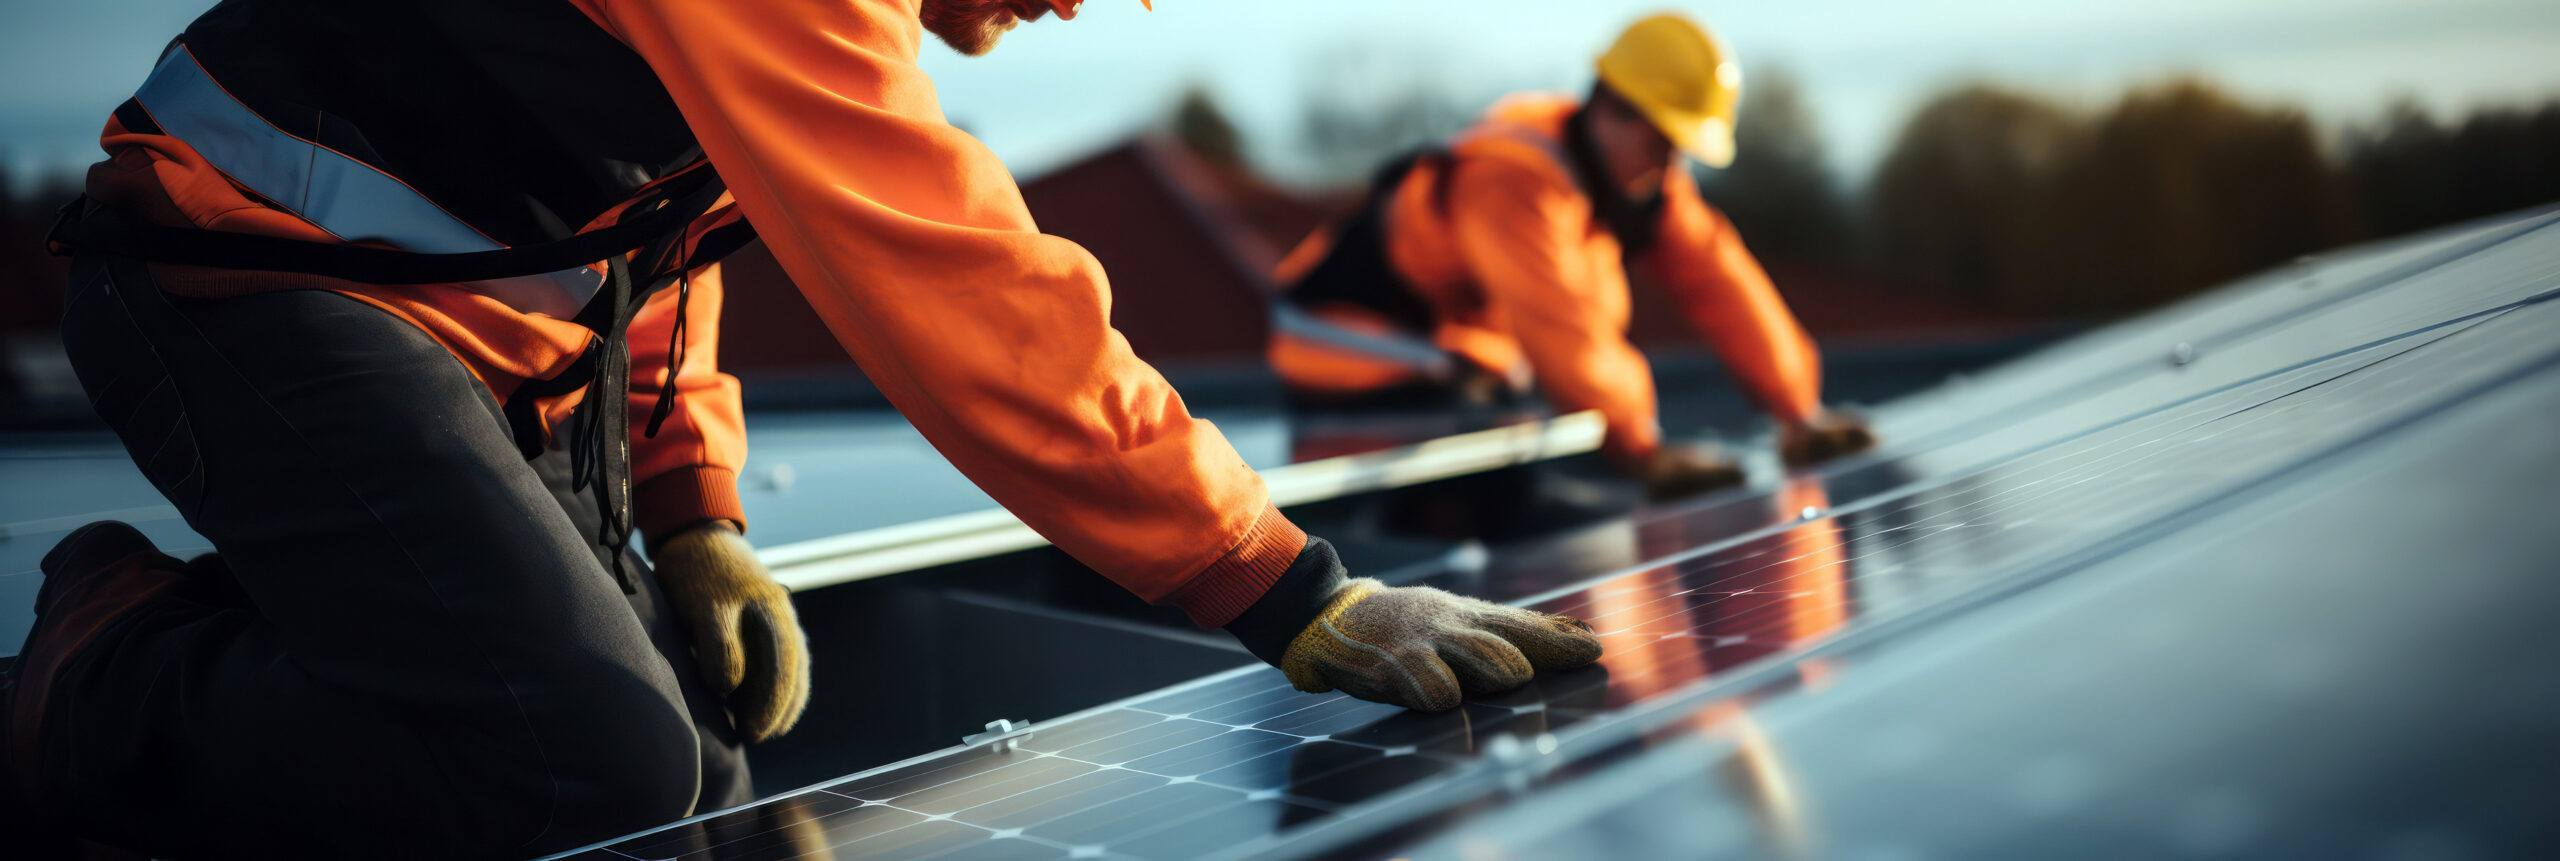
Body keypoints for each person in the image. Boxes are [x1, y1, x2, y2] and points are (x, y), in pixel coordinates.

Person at [2, 0, 1605, 856]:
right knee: (583, 761)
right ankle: (110, 677)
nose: (1076, 4)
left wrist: (696, 510)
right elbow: (957, 281)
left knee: (698, 766)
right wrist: (1279, 581)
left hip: (479, 345)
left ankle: (285, 632)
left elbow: (666, 248)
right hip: (245, 290)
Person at [1267, 13, 1876, 498]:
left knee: (1514, 411)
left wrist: (1799, 411)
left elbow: (1719, 276)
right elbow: (1561, 328)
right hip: (1340, 344)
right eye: (1664, 142)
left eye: (1682, 148)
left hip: (1446, 349)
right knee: (1501, 456)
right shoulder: (1510, 180)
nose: (1672, 166)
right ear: (1611, 109)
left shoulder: (1637, 177)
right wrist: (1643, 449)